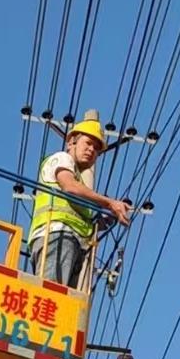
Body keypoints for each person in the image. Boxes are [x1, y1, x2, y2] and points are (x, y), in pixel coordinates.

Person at [28, 119, 130, 288]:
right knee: (52, 292)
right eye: (88, 143)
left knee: (61, 299)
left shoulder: (79, 183)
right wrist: (109, 203)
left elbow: (77, 214)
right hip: (57, 235)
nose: (91, 150)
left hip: (68, 241)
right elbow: (69, 187)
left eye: (96, 149)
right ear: (71, 142)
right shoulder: (62, 158)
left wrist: (101, 222)